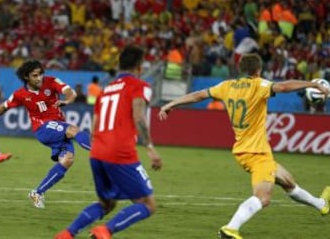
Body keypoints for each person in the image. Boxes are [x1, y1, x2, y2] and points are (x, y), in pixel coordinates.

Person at [158, 53, 330, 239]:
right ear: (258, 70)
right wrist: (312, 84)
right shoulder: (259, 85)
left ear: (241, 70)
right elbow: (283, 86)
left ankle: (321, 204)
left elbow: (198, 95)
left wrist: (172, 103)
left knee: (288, 183)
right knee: (263, 197)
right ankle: (231, 228)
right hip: (256, 153)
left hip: (243, 150)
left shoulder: (226, 86)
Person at [55, 45, 162, 239]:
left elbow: (94, 127)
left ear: (120, 65)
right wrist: (150, 148)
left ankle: (68, 234)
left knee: (107, 204)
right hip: (120, 151)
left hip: (97, 152)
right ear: (139, 68)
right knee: (148, 204)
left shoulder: (104, 91)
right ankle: (105, 231)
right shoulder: (140, 86)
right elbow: (139, 116)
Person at [0, 60, 91, 209]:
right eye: (35, 75)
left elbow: (70, 92)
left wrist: (67, 100)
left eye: (41, 74)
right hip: (43, 128)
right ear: (26, 77)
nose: (39, 78)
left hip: (57, 127)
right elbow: (2, 108)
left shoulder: (51, 82)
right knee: (73, 130)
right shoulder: (20, 94)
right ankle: (101, 150)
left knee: (67, 159)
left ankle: (37, 192)